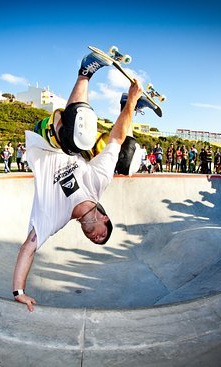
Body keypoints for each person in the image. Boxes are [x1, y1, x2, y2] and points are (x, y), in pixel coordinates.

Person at [12, 49, 148, 311]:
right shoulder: (98, 183)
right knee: (126, 160)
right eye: (101, 236)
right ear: (104, 219)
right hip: (68, 134)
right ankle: (101, 84)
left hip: (46, 141)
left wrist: (19, 291)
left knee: (78, 141)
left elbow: (28, 248)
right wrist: (132, 100)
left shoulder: (55, 218)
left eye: (94, 241)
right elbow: (116, 141)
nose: (95, 238)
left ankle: (91, 79)